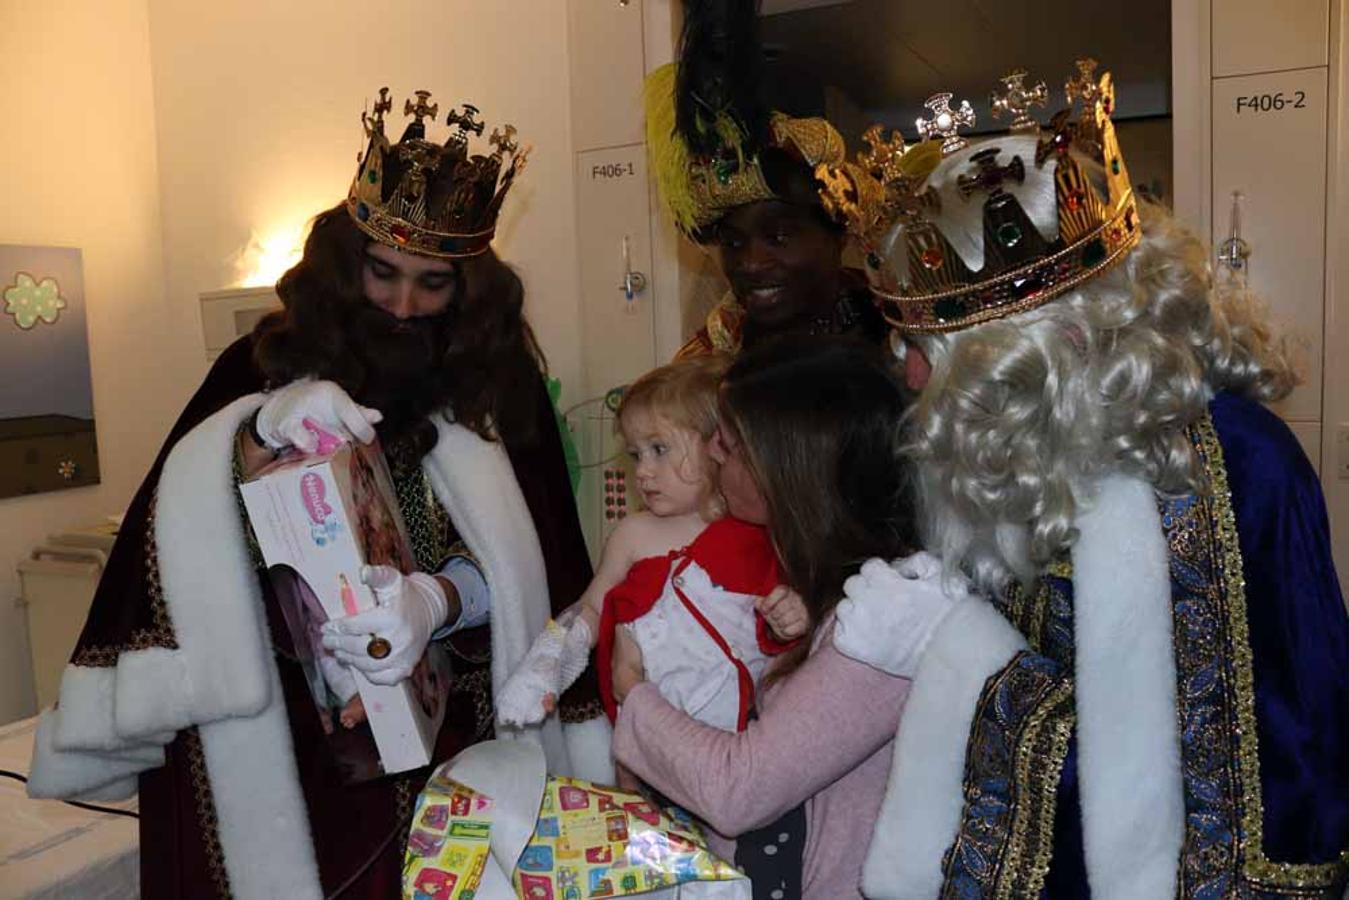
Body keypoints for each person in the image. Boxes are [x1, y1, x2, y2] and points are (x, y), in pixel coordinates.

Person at [26, 87, 612, 899]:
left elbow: (536, 566)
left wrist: (440, 601)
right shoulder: (257, 368)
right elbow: (169, 533)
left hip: (455, 740)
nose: (402, 305)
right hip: (290, 743)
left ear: (470, 287)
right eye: (382, 273)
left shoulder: (497, 387)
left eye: (432, 283)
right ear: (346, 261)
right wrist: (257, 431)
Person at [824, 61, 1349, 896]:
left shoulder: (1231, 470)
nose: (911, 384)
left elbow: (1247, 783)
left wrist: (952, 650)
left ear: (1033, 356)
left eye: (927, 355)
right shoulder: (1028, 453)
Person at [609, 337, 957, 900]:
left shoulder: (890, 619)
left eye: (734, 442)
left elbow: (739, 789)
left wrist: (634, 693)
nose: (714, 452)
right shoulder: (816, 576)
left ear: (791, 466)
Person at [496, 355, 808, 743]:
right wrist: (545, 663)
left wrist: (793, 616)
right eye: (636, 455)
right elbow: (590, 608)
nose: (642, 471)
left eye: (659, 449)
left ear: (717, 444)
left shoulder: (757, 529)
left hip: (743, 740)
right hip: (654, 738)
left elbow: (780, 626)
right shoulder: (633, 534)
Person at [646, 0, 885, 359]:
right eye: (733, 243)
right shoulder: (704, 369)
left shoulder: (900, 349)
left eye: (779, 236)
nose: (752, 262)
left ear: (839, 232)